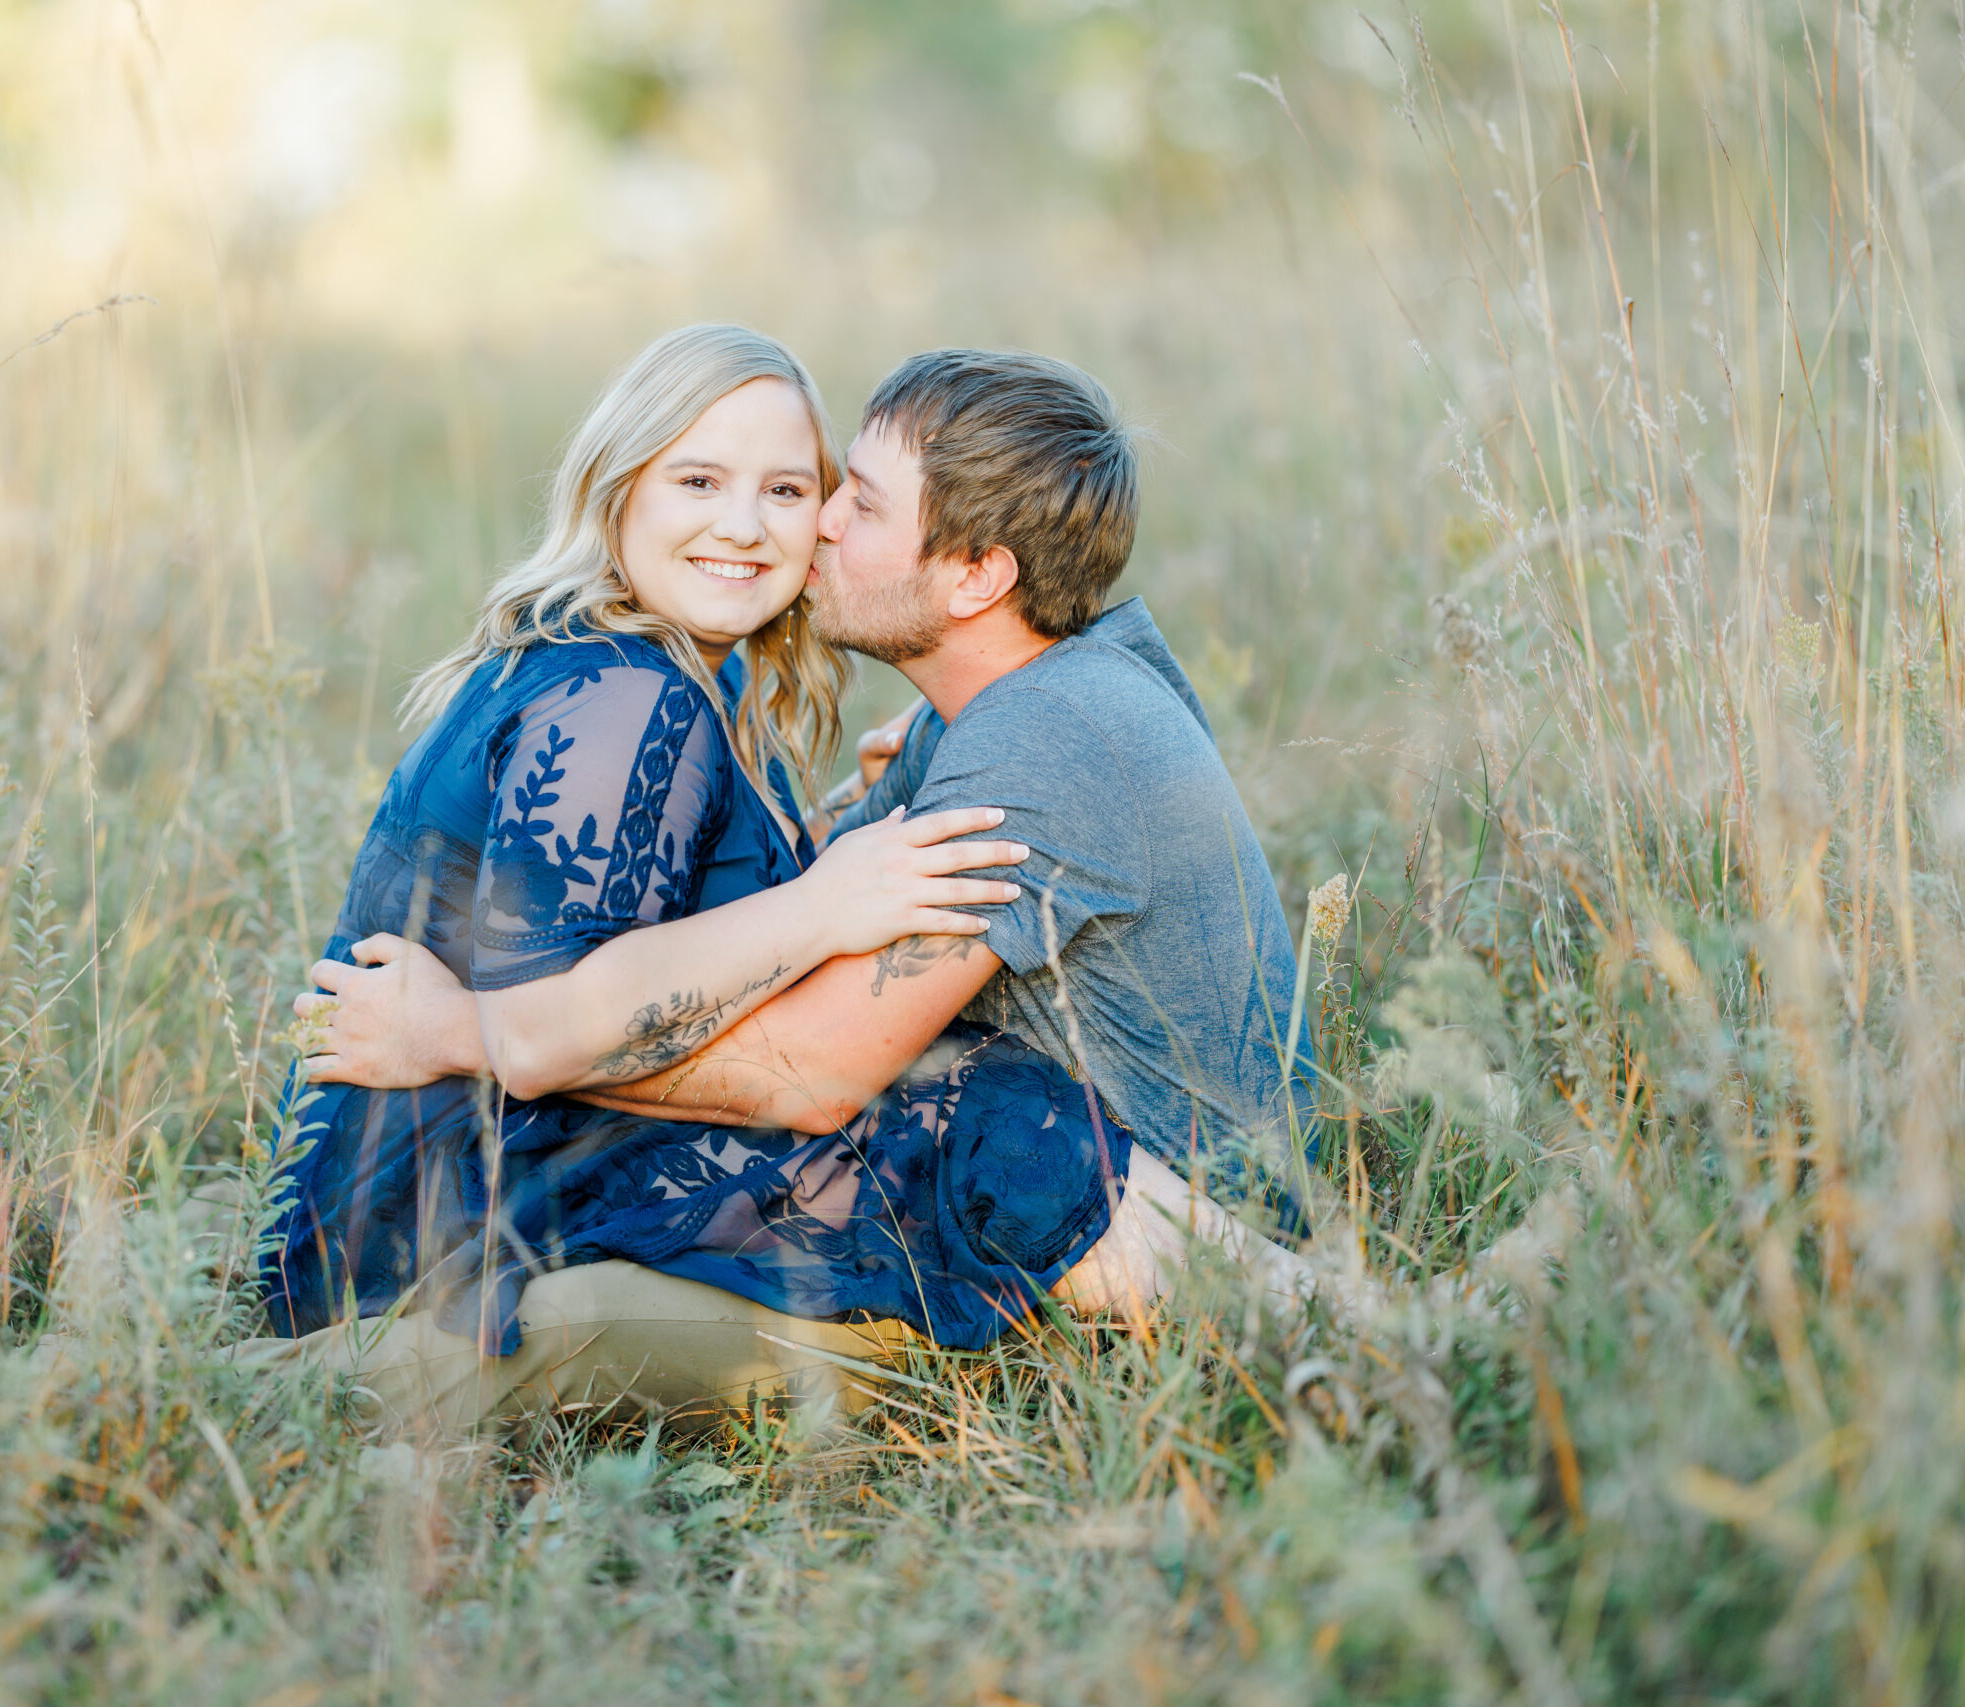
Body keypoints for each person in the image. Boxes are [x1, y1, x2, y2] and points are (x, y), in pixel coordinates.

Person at [272, 344, 1338, 1433]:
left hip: (1164, 1234)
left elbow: (810, 1069)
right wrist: (825, 855)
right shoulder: (971, 711)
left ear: (977, 574)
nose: (814, 521)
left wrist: (469, 1031)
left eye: (846, 500)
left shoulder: (1038, 742)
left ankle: (1343, 1333)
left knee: (580, 1314)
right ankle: (252, 1368)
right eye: (705, 481)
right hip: (988, 1202)